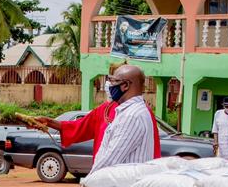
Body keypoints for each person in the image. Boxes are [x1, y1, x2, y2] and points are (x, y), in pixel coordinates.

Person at [27, 65, 160, 178]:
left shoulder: (135, 114)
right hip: (106, 180)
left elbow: (112, 158)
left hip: (121, 179)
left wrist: (92, 181)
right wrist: (49, 122)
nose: (109, 85)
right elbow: (80, 126)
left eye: (113, 81)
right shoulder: (106, 109)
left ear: (125, 85)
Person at [212, 96, 228, 161]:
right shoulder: (218, 114)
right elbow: (215, 129)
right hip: (221, 145)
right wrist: (215, 142)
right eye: (227, 106)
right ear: (223, 106)